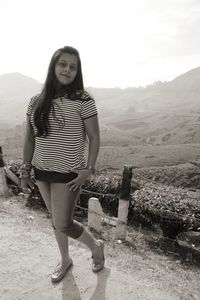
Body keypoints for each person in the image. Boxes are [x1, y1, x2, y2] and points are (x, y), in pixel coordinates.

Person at [20, 45, 104, 283]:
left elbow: (95, 137)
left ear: (77, 71)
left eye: (73, 66)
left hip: (68, 172)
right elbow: (29, 138)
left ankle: (96, 247)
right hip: (41, 171)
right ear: (53, 66)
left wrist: (89, 169)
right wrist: (26, 170)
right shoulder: (35, 101)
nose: (67, 69)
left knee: (62, 222)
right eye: (63, 64)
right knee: (55, 220)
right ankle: (65, 259)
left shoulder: (83, 100)